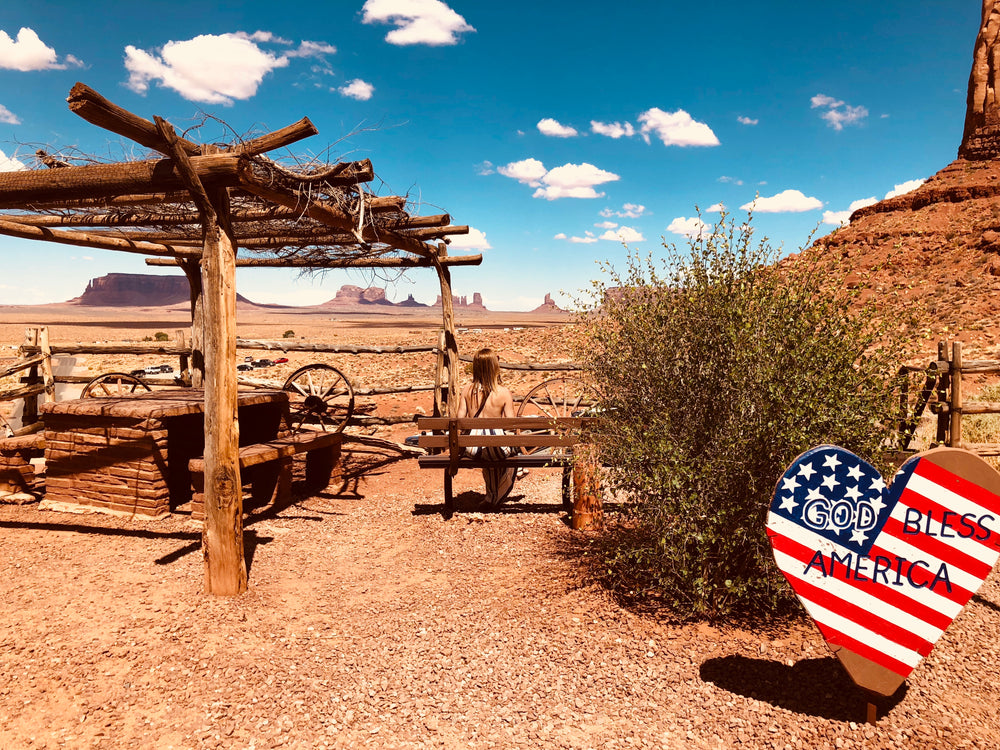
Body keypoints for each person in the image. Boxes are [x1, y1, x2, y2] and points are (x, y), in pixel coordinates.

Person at [457, 347, 517, 507]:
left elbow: (459, 420)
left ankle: (492, 495)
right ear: (494, 367)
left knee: (486, 453)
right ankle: (496, 495)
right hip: (497, 449)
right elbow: (511, 425)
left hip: (473, 449)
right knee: (501, 452)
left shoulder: (466, 391)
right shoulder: (504, 393)